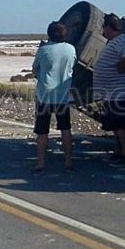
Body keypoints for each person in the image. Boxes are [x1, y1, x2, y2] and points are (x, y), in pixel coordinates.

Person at [31, 21, 77, 173]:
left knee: (42, 131)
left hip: (44, 96)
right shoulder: (71, 49)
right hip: (63, 95)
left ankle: (40, 163)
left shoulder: (43, 50)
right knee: (65, 129)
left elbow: (35, 69)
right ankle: (68, 161)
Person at [93, 13, 125, 166]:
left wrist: (120, 67)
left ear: (110, 27)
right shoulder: (113, 42)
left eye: (104, 27)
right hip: (111, 92)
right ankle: (118, 152)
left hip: (119, 91)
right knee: (115, 125)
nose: (103, 30)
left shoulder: (122, 40)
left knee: (121, 125)